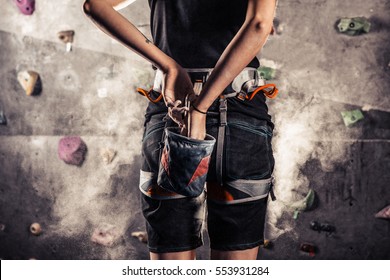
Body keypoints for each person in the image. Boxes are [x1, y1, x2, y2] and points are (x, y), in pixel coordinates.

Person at [83, 0, 277, 260]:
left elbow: (95, 5)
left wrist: (169, 66)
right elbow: (259, 24)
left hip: (171, 112)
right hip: (239, 113)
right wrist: (201, 107)